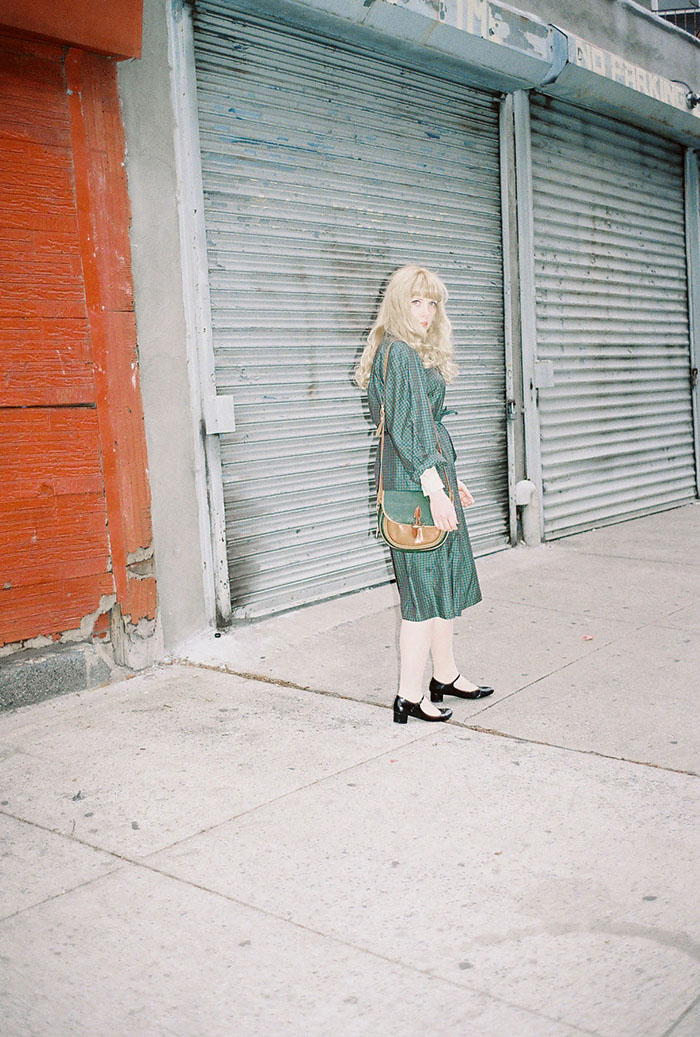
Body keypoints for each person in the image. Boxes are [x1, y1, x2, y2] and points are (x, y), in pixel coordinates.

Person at [355, 264, 493, 723]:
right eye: (416, 301)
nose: (426, 311)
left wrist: (451, 481)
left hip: (430, 478)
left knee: (443, 581)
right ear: (398, 304)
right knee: (421, 594)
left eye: (432, 302)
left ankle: (446, 675)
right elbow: (408, 430)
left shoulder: (406, 351)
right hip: (418, 487)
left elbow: (421, 428)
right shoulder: (399, 353)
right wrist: (435, 489)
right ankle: (409, 695)